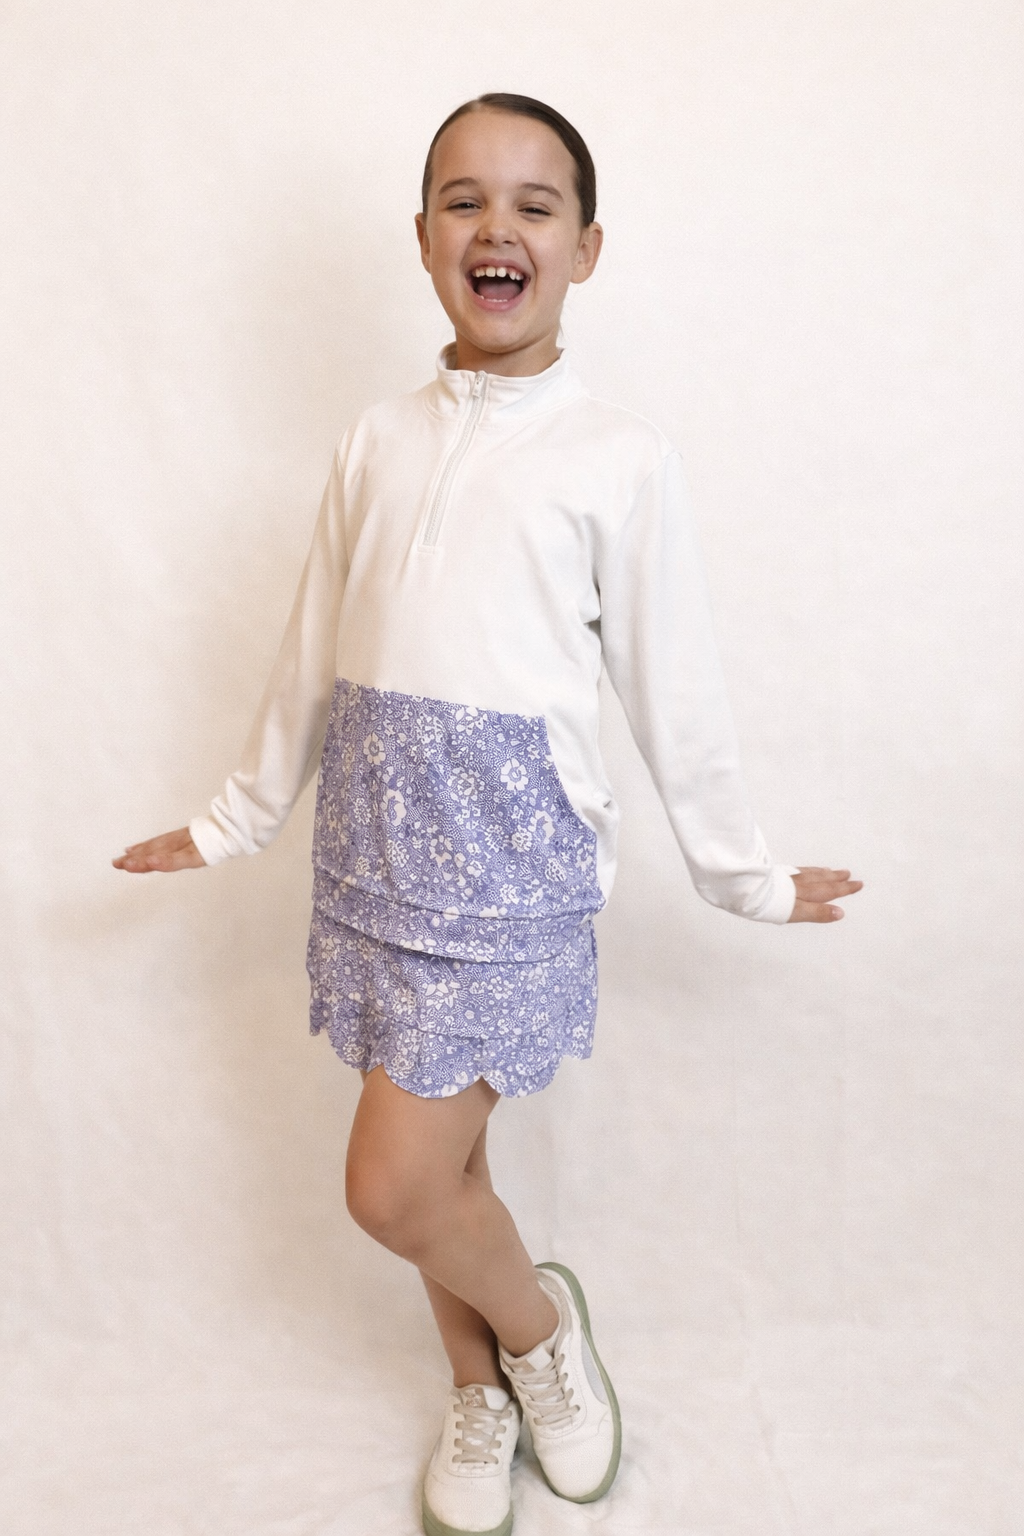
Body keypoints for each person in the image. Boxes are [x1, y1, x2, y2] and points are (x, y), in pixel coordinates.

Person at [114, 93, 862, 1536]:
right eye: (463, 200)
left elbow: (671, 684)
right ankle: (477, 1388)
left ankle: (538, 1340)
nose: (496, 225)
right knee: (445, 1166)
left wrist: (745, 874)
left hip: (513, 868)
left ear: (586, 247)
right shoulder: (374, 441)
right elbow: (312, 644)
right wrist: (234, 818)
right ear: (422, 240)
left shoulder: (620, 460)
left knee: (390, 1187)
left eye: (533, 204)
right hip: (377, 856)